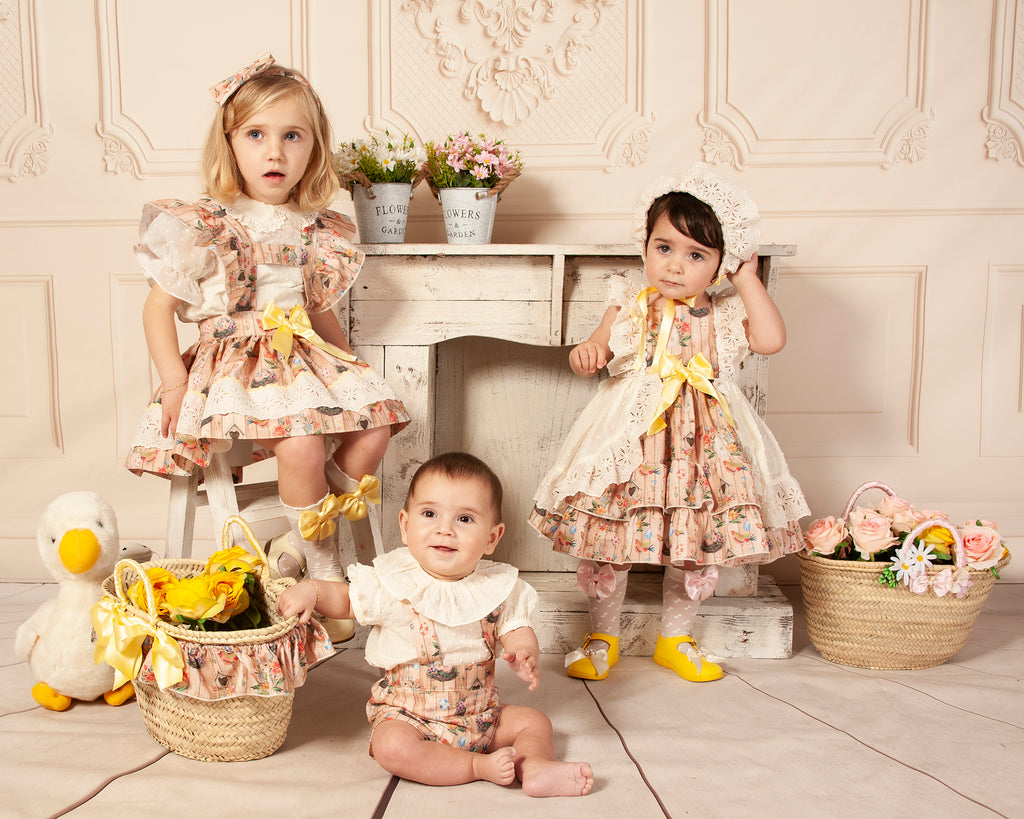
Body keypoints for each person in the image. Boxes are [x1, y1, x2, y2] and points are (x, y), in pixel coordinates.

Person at [125, 54, 409, 586]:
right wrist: (173, 382)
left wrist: (350, 364)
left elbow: (316, 308)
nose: (274, 151)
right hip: (235, 367)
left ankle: (298, 537)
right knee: (301, 443)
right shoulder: (209, 223)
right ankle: (322, 567)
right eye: (255, 134)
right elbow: (157, 308)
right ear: (230, 144)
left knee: (377, 426)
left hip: (301, 358)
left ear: (313, 149)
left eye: (292, 136)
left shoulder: (315, 228)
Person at [529, 163, 809, 683]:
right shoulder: (631, 302)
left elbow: (770, 339)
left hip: (703, 444)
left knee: (694, 540)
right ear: (645, 246)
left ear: (721, 263)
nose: (676, 266)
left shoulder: (724, 312)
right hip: (633, 438)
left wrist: (747, 278)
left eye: (696, 255)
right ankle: (602, 637)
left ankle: (675, 639)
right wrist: (588, 353)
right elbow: (599, 347)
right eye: (664, 247)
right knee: (612, 536)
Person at [277, 452, 594, 798]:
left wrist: (524, 651)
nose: (445, 529)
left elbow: (516, 627)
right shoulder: (392, 582)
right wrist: (312, 590)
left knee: (535, 722)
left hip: (482, 716)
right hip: (410, 717)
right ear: (405, 525)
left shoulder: (498, 587)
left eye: (465, 519)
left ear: (492, 538)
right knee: (390, 746)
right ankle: (476, 767)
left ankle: (536, 767)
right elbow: (347, 600)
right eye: (430, 514)